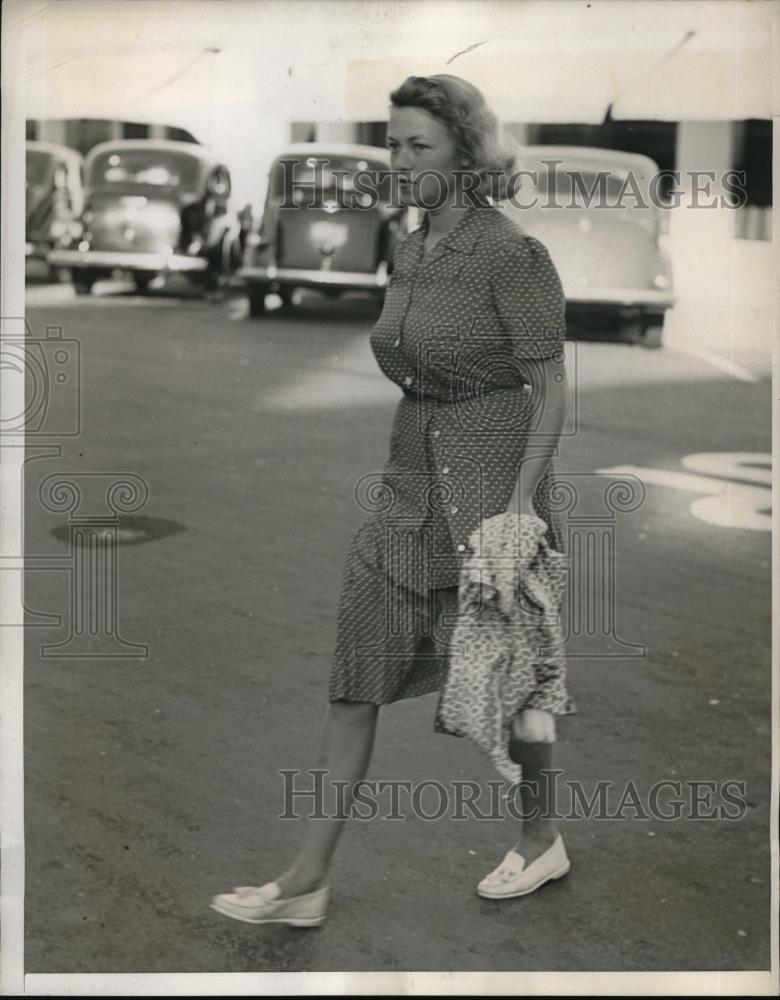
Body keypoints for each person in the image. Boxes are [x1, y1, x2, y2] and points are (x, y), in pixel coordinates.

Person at [211, 73, 574, 927]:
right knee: (354, 677)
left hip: (491, 492)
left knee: (514, 688)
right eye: (393, 142)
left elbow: (552, 393)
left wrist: (520, 507)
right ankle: (306, 880)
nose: (400, 161)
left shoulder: (513, 255)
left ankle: (540, 838)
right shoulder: (407, 245)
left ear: (468, 154)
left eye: (420, 146)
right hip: (408, 487)